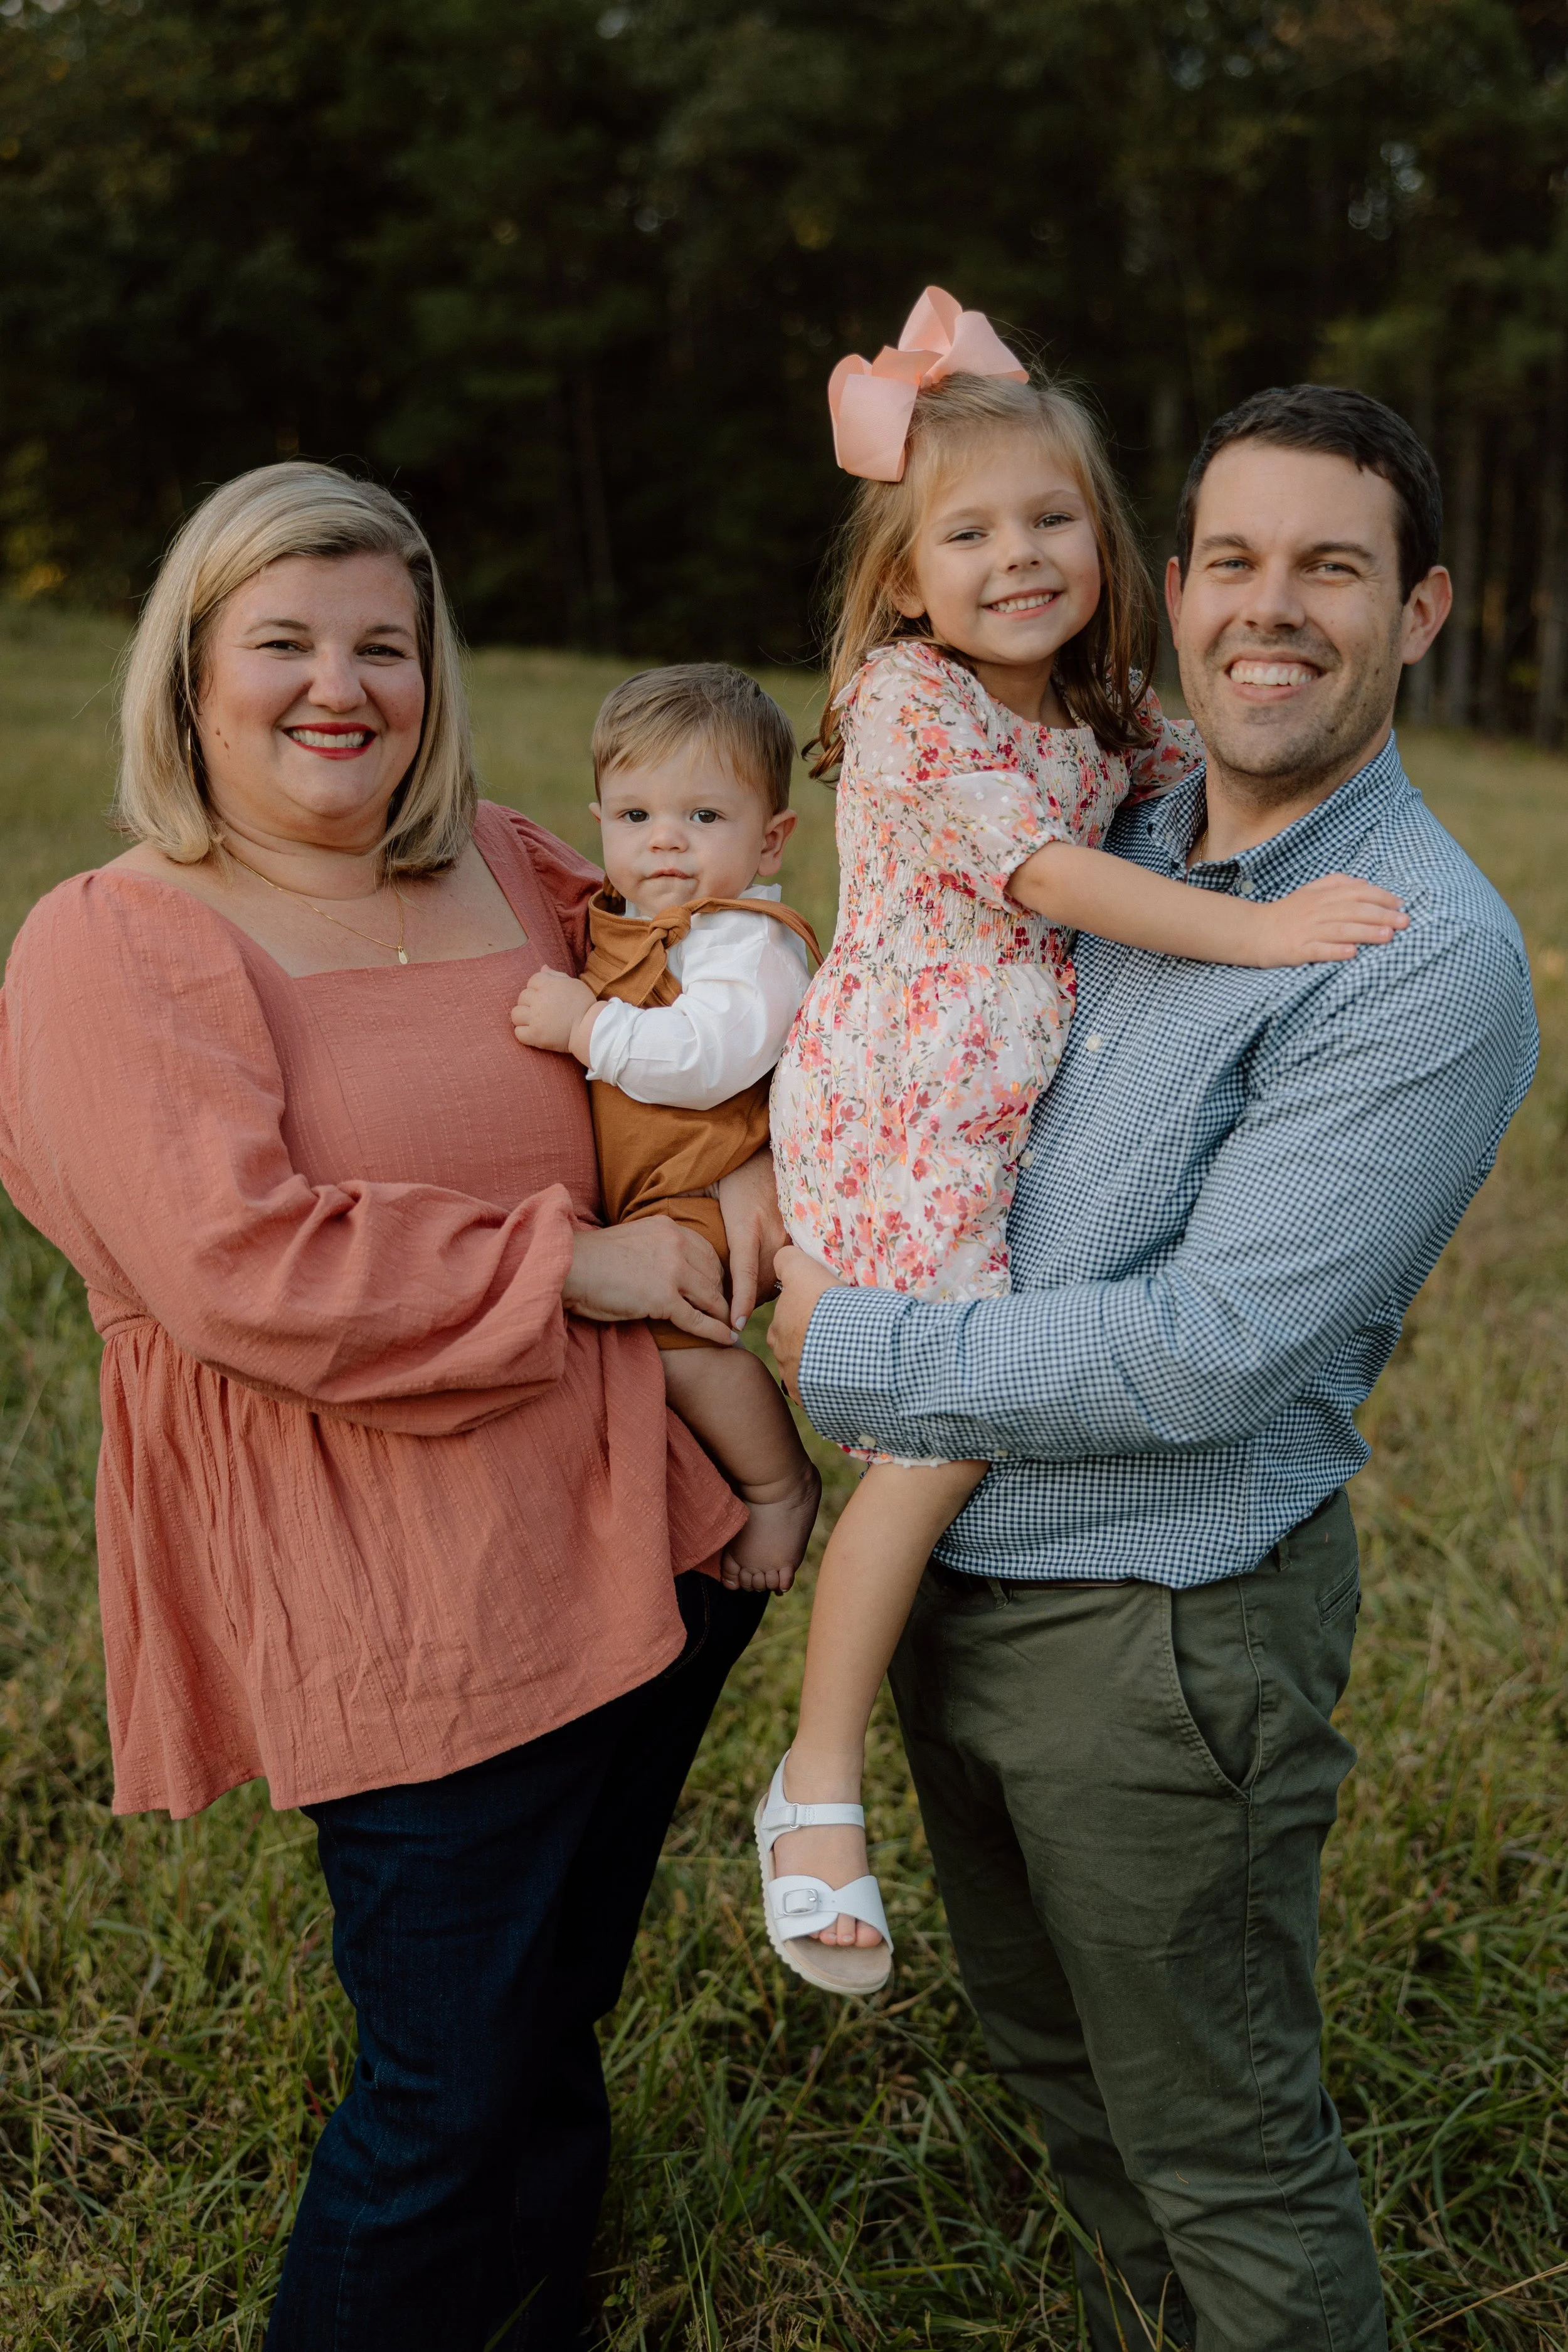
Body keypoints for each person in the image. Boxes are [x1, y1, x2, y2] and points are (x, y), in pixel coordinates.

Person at [768, 383, 1539, 2348]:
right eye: (1234, 560)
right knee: (1055, 2060)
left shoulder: (1416, 953)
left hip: (1151, 1624)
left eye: (1333, 570)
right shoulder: (1114, 789)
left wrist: (842, 1336)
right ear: (1168, 580)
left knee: (1225, 2142)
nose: (1271, 609)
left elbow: (1204, 1355)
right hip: (957, 1564)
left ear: (1421, 608)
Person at [0, 460, 783, 2352]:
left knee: (539, 2024)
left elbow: (735, 1003)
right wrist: (575, 1263)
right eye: (283, 641)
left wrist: (749, 1180)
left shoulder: (514, 864)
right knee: (439, 2092)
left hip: (653, 1537)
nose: (337, 685)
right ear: (191, 673)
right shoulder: (120, 937)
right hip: (406, 1586)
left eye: (384, 642)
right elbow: (235, 1261)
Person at [755, 290, 1410, 1996]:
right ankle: (815, 1776)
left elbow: (1201, 769)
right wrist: (1259, 932)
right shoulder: (907, 704)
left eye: (1052, 519)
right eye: (968, 532)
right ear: (904, 576)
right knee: (936, 1428)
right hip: (899, 1103)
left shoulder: (1091, 707)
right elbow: (1047, 877)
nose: (1018, 555)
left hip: (986, 1105)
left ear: (1108, 545)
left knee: (953, 1405)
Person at [511, 663, 822, 1592]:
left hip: (708, 1178)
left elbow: (706, 1055)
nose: (667, 844)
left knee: (679, 1346)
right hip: (649, 1184)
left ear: (771, 841)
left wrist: (586, 1028)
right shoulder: (641, 920)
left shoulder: (747, 940)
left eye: (704, 817)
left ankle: (779, 1485)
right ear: (599, 819)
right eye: (636, 817)